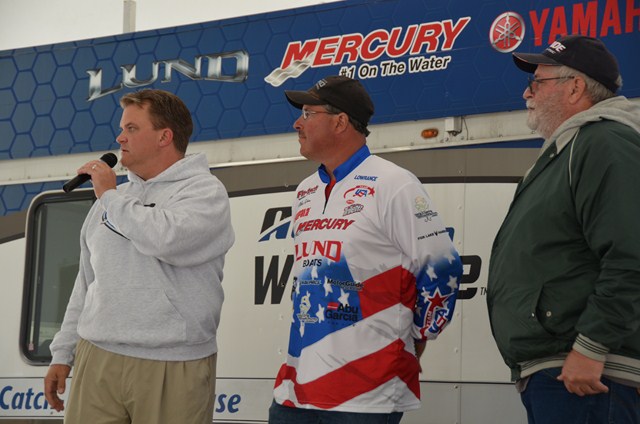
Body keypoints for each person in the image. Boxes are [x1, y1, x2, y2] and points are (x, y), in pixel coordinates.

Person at [268, 75, 463, 423]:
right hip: (296, 389)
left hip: (367, 394)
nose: (298, 123)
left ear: (340, 121)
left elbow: (442, 266)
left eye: (308, 114)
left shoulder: (394, 183)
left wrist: (416, 338)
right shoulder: (305, 190)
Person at [43, 89, 235, 424]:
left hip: (173, 362)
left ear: (164, 137)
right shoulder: (114, 198)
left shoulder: (205, 192)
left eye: (131, 128)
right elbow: (87, 281)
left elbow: (165, 238)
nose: (120, 137)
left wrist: (109, 197)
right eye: (122, 129)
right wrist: (63, 351)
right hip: (97, 355)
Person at [487, 35, 640, 423]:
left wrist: (591, 346)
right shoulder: (572, 148)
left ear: (575, 88)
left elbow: (630, 254)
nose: (526, 93)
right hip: (566, 370)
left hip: (588, 375)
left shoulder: (604, 141)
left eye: (537, 82)